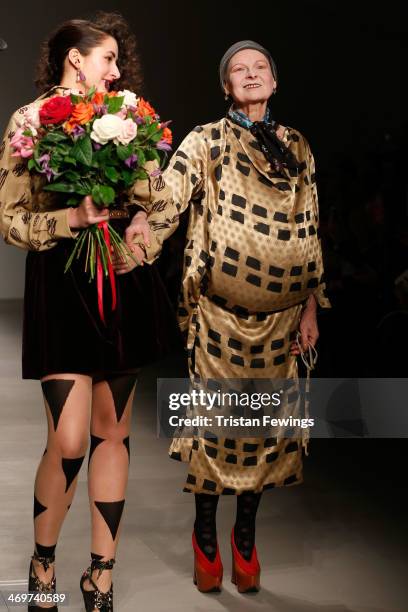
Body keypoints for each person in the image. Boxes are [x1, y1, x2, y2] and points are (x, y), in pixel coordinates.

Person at [129, 40, 330, 593]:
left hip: (283, 322)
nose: (250, 74)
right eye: (238, 70)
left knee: (261, 432)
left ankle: (244, 537)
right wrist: (142, 214)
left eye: (260, 67)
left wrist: (311, 302)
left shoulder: (297, 146)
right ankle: (205, 537)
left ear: (274, 81)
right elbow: (169, 199)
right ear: (225, 86)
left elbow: (310, 227)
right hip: (218, 318)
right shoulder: (206, 141)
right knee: (218, 431)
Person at [0, 12, 179, 612]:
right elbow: (9, 218)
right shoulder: (29, 121)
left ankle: (100, 574)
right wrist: (69, 220)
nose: (117, 70)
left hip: (122, 287)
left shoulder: (130, 116)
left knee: (113, 433)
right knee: (69, 438)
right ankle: (42, 561)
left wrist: (140, 236)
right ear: (75, 58)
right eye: (107, 59)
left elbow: (157, 202)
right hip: (63, 285)